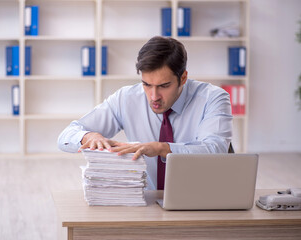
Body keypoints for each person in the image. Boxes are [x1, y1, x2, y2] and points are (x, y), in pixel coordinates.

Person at [58, 36, 233, 190]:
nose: (153, 96)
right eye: (147, 84)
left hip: (201, 198)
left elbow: (215, 150)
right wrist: (89, 136)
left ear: (183, 78)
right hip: (147, 202)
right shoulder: (126, 98)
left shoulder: (213, 98)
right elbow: (65, 137)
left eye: (164, 86)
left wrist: (162, 148)